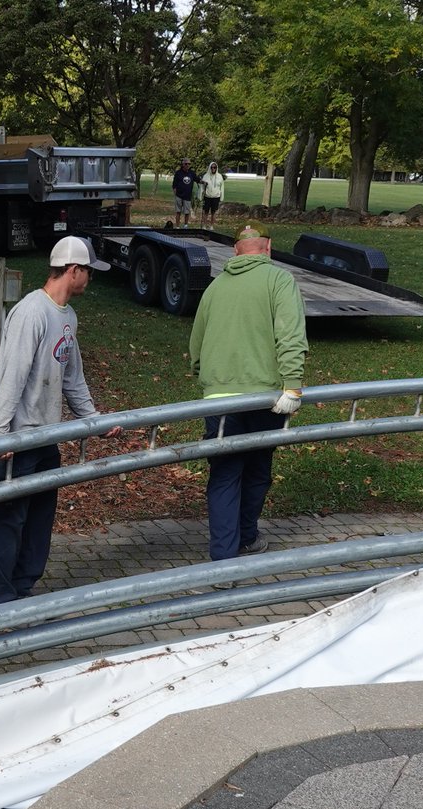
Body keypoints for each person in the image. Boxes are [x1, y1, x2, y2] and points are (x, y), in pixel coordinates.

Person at [0, 236, 122, 605]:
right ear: (73, 270)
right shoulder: (32, 312)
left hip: (46, 437)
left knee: (39, 521)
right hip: (17, 439)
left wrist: (94, 420)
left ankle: (23, 588)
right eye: (88, 271)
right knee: (9, 522)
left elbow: (72, 378)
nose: (90, 277)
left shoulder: (67, 317)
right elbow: (11, 374)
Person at [188, 221, 308, 563]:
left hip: (219, 399)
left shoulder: (215, 288)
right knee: (257, 470)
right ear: (268, 249)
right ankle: (246, 536)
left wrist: (206, 376)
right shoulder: (280, 281)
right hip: (265, 398)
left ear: (235, 252)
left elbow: (197, 341)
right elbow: (290, 336)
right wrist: (293, 385)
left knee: (225, 474)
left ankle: (223, 556)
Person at [198, 161, 225, 228]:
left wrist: (221, 197)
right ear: (210, 167)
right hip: (207, 196)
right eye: (212, 167)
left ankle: (211, 226)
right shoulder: (205, 176)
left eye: (215, 167)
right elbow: (202, 187)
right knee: (206, 212)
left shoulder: (219, 176)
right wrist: (200, 196)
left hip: (216, 197)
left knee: (213, 212)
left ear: (216, 168)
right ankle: (204, 225)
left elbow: (222, 187)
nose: (213, 169)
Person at [171, 157, 197, 227]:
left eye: (189, 164)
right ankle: (177, 226)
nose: (187, 165)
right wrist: (175, 193)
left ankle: (185, 225)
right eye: (186, 164)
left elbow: (197, 179)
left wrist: (203, 182)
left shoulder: (191, 173)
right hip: (179, 195)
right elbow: (174, 185)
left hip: (187, 196)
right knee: (178, 212)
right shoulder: (178, 173)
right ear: (183, 164)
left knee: (187, 212)